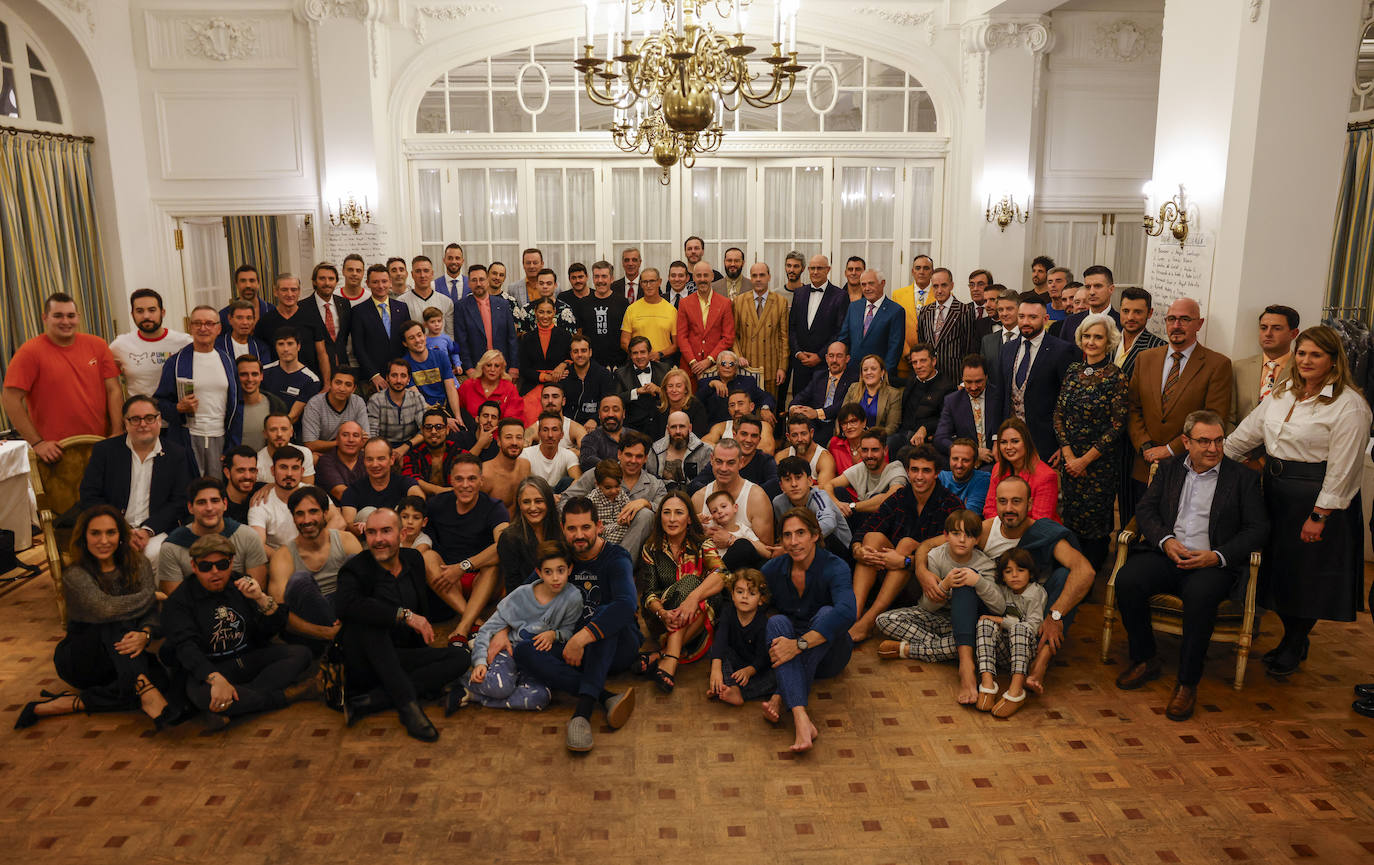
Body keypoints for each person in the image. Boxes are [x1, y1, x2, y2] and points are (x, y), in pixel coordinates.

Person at [1224, 326, 1371, 678]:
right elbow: (1244, 436)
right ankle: (1293, 638)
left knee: (1307, 578)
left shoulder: (1349, 405)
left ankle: (1294, 642)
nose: (1305, 361)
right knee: (1280, 572)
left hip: (1316, 500)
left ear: (1334, 360)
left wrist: (1320, 515)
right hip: (1274, 493)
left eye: (1316, 355)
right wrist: (1212, 461)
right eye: (1302, 353)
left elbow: (1344, 469)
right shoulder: (1283, 393)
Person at [1117, 410, 1268, 719]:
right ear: (1186, 442)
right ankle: (1145, 658)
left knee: (1200, 598)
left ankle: (1187, 683)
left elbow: (1258, 529)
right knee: (1127, 580)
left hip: (1211, 563)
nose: (1213, 449)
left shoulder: (1243, 478)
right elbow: (1145, 511)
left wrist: (1217, 556)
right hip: (1167, 554)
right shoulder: (1169, 469)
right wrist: (1165, 540)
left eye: (1218, 441)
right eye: (1204, 441)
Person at [13, 505, 183, 731]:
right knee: (112, 620)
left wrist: (145, 633)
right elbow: (105, 609)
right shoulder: (75, 574)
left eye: (110, 533)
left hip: (122, 656)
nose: (104, 540)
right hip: (81, 658)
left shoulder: (138, 564)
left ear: (121, 535)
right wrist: (150, 596)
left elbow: (149, 614)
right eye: (95, 533)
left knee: (160, 681)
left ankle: (70, 703)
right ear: (84, 537)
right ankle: (142, 686)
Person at [510, 498, 641, 752]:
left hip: (617, 646)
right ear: (562, 529)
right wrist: (501, 631)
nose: (579, 535)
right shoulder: (559, 557)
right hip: (573, 648)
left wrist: (582, 637)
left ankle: (582, 713)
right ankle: (603, 696)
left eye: (585, 528)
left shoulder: (616, 558)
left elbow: (627, 605)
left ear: (599, 527)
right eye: (572, 529)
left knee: (607, 613)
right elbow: (521, 595)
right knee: (524, 650)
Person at [335, 509, 472, 741]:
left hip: (399, 656)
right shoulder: (355, 569)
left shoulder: (414, 560)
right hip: (365, 662)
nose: (378, 539)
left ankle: (371, 702)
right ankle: (408, 706)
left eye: (386, 531)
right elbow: (347, 607)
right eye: (371, 532)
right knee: (369, 621)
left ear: (402, 534)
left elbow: (421, 607)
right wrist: (404, 615)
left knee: (460, 658)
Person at [162, 534, 318, 731]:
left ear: (232, 562)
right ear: (194, 567)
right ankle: (289, 694)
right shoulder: (180, 600)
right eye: (205, 567)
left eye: (222, 564)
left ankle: (230, 706)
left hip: (248, 658)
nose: (215, 572)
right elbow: (186, 648)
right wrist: (215, 678)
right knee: (202, 695)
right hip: (213, 667)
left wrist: (261, 599)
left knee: (301, 654)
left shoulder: (241, 584)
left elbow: (268, 632)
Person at [760, 508, 856, 753]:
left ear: (815, 535)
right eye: (787, 535)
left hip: (830, 656)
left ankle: (782, 695)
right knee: (776, 623)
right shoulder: (773, 569)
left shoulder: (836, 566)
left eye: (800, 533)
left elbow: (847, 613)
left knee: (827, 614)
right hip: (788, 655)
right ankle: (801, 718)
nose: (794, 542)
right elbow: (748, 597)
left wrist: (798, 645)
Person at [847, 444, 963, 641]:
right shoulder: (900, 497)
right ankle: (854, 614)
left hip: (928, 582)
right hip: (890, 577)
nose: (919, 476)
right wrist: (858, 549)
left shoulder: (950, 504)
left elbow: (955, 552)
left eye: (926, 471)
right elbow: (866, 528)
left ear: (936, 473)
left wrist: (905, 561)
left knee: (907, 543)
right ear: (908, 472)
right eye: (914, 470)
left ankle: (869, 620)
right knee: (871, 538)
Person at [1127, 297, 1234, 507]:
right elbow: (1132, 407)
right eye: (1172, 319)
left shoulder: (1217, 364)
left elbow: (1214, 417)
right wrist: (1146, 446)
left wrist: (1169, 449)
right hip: (1144, 463)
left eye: (1184, 319)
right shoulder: (1145, 358)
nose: (1176, 326)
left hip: (1187, 465)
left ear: (1199, 324)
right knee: (1137, 527)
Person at [466, 540, 583, 711]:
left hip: (536, 661)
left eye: (561, 570)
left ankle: (472, 694)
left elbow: (568, 632)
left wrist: (554, 635)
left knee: (539, 698)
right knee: (500, 687)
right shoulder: (520, 596)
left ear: (569, 569)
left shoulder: (573, 598)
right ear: (539, 572)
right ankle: (462, 679)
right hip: (510, 653)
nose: (556, 578)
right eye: (548, 572)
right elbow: (487, 629)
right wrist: (480, 662)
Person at [875, 509, 998, 671]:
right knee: (884, 620)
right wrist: (945, 585)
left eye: (968, 535)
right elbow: (927, 607)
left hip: (965, 624)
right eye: (956, 534)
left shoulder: (985, 564)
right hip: (936, 617)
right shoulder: (935, 556)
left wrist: (979, 582)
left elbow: (999, 607)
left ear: (977, 540)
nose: (962, 540)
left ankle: (923, 649)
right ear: (946, 535)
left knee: (976, 638)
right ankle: (948, 648)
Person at [1054, 313, 1129, 571]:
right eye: (1087, 336)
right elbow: (1059, 414)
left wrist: (1085, 460)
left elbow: (1117, 425)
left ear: (1108, 341)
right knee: (1071, 518)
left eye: (1098, 337)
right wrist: (1069, 456)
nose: (1091, 342)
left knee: (1095, 524)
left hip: (1099, 466)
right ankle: (1072, 570)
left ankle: (1090, 577)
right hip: (1070, 460)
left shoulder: (1115, 376)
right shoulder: (1073, 371)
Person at [78, 395, 191, 560]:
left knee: (156, 554)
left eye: (149, 418)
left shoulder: (176, 454)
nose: (143, 424)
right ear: (126, 423)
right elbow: (90, 495)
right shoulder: (105, 451)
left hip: (155, 529)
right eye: (135, 419)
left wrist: (147, 530)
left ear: (159, 420)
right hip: (111, 527)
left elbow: (179, 501)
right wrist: (121, 529)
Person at [636, 490, 726, 693]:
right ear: (659, 518)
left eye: (679, 513)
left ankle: (666, 656)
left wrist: (693, 598)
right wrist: (662, 612)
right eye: (666, 513)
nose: (672, 519)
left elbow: (723, 574)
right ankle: (669, 656)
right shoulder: (650, 548)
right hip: (661, 618)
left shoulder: (703, 543)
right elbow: (649, 592)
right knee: (693, 582)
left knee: (706, 593)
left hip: (695, 614)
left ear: (689, 519)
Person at [424, 453, 511, 647]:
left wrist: (463, 567)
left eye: (472, 478)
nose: (465, 485)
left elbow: (504, 545)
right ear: (451, 480)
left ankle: (462, 628)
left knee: (493, 564)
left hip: (482, 581)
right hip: (447, 581)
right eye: (459, 479)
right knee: (426, 556)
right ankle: (474, 620)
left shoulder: (494, 507)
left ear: (481, 480)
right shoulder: (437, 504)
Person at [266, 486, 361, 649]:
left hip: (344, 611)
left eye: (313, 512)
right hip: (311, 624)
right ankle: (336, 646)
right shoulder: (283, 556)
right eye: (299, 514)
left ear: (325, 513)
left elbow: (368, 587)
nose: (306, 520)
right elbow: (280, 613)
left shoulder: (346, 540)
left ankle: (340, 646)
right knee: (299, 580)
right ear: (293, 518)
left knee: (356, 563)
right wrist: (326, 632)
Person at [990, 294, 1076, 463]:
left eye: (1033, 317)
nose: (1025, 322)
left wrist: (1063, 445)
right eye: (1022, 316)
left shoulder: (1061, 351)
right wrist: (996, 438)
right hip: (1009, 442)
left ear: (1045, 319)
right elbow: (999, 395)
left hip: (1046, 443)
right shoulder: (1007, 349)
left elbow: (1068, 402)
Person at [969, 547, 1049, 718]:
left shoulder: (1035, 593)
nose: (1014, 575)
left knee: (1020, 628)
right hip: (1005, 654)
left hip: (1026, 653)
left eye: (1020, 570)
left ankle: (1016, 690)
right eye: (1008, 571)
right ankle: (987, 683)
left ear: (1030, 573)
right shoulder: (1003, 591)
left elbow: (1034, 627)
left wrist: (1002, 621)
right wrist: (994, 622)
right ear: (1003, 576)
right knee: (985, 623)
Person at [563, 430, 666, 560]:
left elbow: (667, 511)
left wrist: (647, 503)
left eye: (639, 456)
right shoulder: (599, 472)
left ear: (645, 458)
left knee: (646, 514)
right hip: (597, 539)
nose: (633, 460)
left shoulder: (656, 485)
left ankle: (618, 564)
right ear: (619, 454)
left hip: (636, 548)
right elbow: (565, 500)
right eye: (628, 455)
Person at [156, 477, 268, 596]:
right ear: (190, 508)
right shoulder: (171, 547)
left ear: (225, 504)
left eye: (214, 501)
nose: (209, 508)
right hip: (192, 612)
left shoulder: (248, 537)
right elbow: (176, 602)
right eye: (201, 502)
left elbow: (257, 593)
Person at [1114, 286, 1167, 524]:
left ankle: (1128, 548)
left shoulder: (1158, 347)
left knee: (1130, 496)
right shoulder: (1108, 339)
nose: (1130, 317)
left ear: (1150, 313)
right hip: (1103, 431)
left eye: (1138, 312)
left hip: (1132, 433)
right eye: (1126, 311)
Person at [706, 568, 776, 706]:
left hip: (756, 668)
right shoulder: (728, 612)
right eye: (739, 592)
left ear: (761, 600)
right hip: (735, 662)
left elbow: (763, 657)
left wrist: (750, 670)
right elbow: (721, 639)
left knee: (775, 678)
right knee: (717, 651)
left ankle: (735, 692)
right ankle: (724, 686)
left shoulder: (763, 623)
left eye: (751, 593)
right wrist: (715, 670)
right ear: (732, 595)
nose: (744, 596)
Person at [689, 439, 776, 547]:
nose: (724, 468)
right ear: (711, 460)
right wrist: (700, 535)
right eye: (719, 461)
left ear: (741, 463)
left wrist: (732, 540)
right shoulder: (699, 498)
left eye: (730, 463)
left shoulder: (756, 498)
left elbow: (768, 552)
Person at [109, 288, 192, 400]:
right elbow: (109, 386)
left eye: (152, 310)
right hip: (139, 415)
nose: (146, 316)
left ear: (162, 313)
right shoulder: (119, 345)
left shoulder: (184, 342)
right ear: (132, 314)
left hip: (175, 413)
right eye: (139, 311)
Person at [789, 255, 849, 398]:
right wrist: (798, 353)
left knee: (821, 407)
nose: (815, 272)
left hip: (825, 365)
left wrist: (821, 356)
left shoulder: (840, 296)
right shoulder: (799, 293)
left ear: (828, 269)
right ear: (808, 270)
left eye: (819, 268)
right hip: (800, 365)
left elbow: (839, 332)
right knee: (799, 406)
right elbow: (792, 327)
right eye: (812, 268)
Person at [1232, 304, 1299, 431]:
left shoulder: (1302, 369)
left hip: (1281, 446)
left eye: (1277, 328)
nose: (1268, 333)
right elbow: (1229, 416)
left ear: (1294, 333)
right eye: (1263, 328)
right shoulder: (1239, 367)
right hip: (1239, 444)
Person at [983, 417, 1060, 522]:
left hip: (1037, 535)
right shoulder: (998, 468)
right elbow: (989, 510)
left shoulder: (1046, 476)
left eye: (1015, 441)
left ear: (1026, 442)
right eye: (1003, 442)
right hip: (1002, 531)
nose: (1008, 447)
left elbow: (1041, 521)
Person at [350, 264, 411, 393]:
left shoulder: (402, 307)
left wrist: (404, 372)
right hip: (374, 379)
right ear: (367, 283)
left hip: (401, 375)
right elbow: (358, 347)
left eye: (384, 281)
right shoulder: (358, 311)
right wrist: (374, 375)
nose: (380, 286)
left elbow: (408, 341)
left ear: (390, 282)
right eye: (375, 282)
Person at [248, 445, 323, 552]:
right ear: (273, 470)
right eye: (283, 467)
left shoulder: (313, 493)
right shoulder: (260, 502)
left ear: (302, 471)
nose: (289, 474)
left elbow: (338, 521)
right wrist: (285, 559)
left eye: (295, 468)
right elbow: (257, 544)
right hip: (278, 560)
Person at [733, 262, 790, 401]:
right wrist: (738, 356)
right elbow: (733, 335)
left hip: (771, 368)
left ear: (769, 277)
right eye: (754, 276)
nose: (758, 279)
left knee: (769, 411)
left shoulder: (781, 302)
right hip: (746, 367)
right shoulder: (739, 301)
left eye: (762, 275)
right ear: (750, 278)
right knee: (746, 410)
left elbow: (784, 338)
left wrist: (782, 367)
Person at [773, 455, 851, 555]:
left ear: (810, 481)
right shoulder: (778, 503)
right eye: (788, 479)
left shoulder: (820, 497)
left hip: (839, 550)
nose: (794, 484)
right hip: (802, 550)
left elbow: (829, 524)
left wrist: (796, 542)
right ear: (781, 486)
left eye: (798, 478)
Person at [454, 264, 520, 381]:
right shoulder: (461, 307)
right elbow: (461, 341)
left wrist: (514, 366)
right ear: (469, 283)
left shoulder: (503, 304)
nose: (478, 283)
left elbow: (512, 338)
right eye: (474, 280)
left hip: (502, 368)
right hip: (476, 369)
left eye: (482, 279)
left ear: (488, 281)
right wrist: (468, 368)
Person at [496, 476, 561, 594]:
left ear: (549, 503)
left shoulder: (560, 531)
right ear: (519, 505)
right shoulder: (509, 538)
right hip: (526, 602)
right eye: (526, 502)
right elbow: (513, 587)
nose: (532, 507)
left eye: (538, 501)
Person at [257, 274, 329, 379]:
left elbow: (322, 354)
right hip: (275, 382)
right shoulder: (265, 321)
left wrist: (327, 383)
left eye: (293, 289)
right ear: (275, 292)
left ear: (299, 292)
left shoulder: (312, 317)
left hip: (309, 382)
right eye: (284, 290)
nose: (289, 294)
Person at [836, 269, 905, 377]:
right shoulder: (854, 307)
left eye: (871, 284)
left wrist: (884, 375)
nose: (867, 288)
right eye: (863, 284)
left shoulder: (896, 311)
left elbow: (895, 349)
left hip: (879, 376)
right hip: (852, 374)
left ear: (882, 283)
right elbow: (843, 338)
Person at [888, 343, 952, 459]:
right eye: (914, 362)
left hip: (924, 439)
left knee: (903, 453)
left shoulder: (946, 387)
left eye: (923, 361)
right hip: (902, 433)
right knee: (884, 445)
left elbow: (947, 419)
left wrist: (925, 428)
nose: (918, 366)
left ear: (933, 361)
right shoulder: (913, 379)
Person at [341, 439, 422, 529]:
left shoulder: (405, 483)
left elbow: (419, 498)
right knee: (367, 512)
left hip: (399, 538)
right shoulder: (353, 490)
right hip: (366, 539)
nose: (375, 464)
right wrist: (366, 527)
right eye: (369, 459)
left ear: (391, 460)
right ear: (364, 461)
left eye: (381, 458)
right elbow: (349, 525)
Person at [677, 260, 736, 385]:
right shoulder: (684, 303)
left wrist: (709, 361)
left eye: (705, 275)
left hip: (715, 368)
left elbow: (728, 338)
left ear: (712, 277)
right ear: (693, 278)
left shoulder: (725, 303)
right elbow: (681, 337)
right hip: (690, 368)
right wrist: (693, 362)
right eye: (698, 275)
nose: (702, 279)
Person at [914, 268, 975, 386]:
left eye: (944, 285)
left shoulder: (965, 310)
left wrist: (964, 381)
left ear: (952, 286)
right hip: (929, 377)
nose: (939, 290)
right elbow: (921, 344)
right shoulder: (925, 311)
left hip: (954, 377)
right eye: (935, 286)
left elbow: (968, 349)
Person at [934, 355, 996, 465]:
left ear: (986, 377)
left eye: (978, 381)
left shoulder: (999, 396)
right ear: (962, 378)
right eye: (968, 382)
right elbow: (940, 438)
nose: (973, 387)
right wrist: (972, 452)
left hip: (994, 463)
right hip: (963, 463)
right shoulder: (952, 401)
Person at [789, 341, 857, 440]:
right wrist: (794, 408)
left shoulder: (854, 379)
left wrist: (817, 413)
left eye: (839, 356)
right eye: (831, 356)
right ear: (826, 358)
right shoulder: (819, 376)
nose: (834, 360)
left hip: (838, 424)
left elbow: (844, 404)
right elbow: (803, 395)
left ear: (847, 359)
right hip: (815, 425)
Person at [400, 320, 465, 424]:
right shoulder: (404, 365)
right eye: (411, 338)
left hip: (446, 407)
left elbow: (451, 389)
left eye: (419, 335)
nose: (417, 340)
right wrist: (443, 421)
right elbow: (418, 399)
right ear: (405, 343)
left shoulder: (441, 356)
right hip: (423, 412)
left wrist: (458, 417)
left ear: (425, 336)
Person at [696, 350, 778, 429]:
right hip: (716, 428)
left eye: (731, 364)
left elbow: (766, 396)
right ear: (718, 366)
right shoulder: (706, 383)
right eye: (723, 363)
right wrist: (711, 384)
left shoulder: (748, 382)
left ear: (736, 368)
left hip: (745, 425)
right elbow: (696, 401)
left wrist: (765, 408)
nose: (727, 366)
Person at [261, 327, 323, 427]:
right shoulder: (263, 371)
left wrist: (276, 430)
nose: (285, 349)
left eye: (290, 344)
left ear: (298, 346)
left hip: (291, 431)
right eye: (281, 344)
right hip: (262, 426)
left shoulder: (311, 380)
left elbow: (294, 416)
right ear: (275, 347)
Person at [573, 262, 629, 371]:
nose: (600, 281)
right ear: (592, 279)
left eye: (604, 276)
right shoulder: (583, 303)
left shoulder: (622, 302)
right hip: (591, 364)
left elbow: (627, 333)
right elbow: (579, 334)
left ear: (611, 279)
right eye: (596, 276)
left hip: (619, 364)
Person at [302, 369, 370, 454]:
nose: (342, 388)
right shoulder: (315, 404)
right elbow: (310, 444)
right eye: (338, 383)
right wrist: (342, 443)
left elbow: (365, 439)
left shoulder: (358, 402)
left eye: (348, 385)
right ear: (330, 384)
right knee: (313, 458)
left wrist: (344, 443)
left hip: (351, 452)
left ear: (354, 389)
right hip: (324, 453)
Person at [368, 357, 430, 449]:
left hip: (411, 446)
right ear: (387, 378)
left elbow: (424, 429)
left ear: (408, 379)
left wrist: (405, 447)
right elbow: (372, 435)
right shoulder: (375, 400)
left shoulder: (417, 398)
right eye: (394, 375)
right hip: (383, 448)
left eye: (403, 376)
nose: (398, 380)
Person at [517, 296, 574, 394]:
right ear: (535, 312)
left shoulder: (565, 335)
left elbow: (573, 359)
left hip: (560, 385)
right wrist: (546, 377)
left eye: (549, 312)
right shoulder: (527, 338)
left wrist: (563, 365)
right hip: (532, 385)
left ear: (554, 312)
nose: (545, 316)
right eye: (541, 312)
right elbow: (524, 369)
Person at [620, 268, 678, 363]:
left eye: (652, 281)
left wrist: (659, 354)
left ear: (659, 282)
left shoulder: (671, 310)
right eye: (645, 282)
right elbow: (624, 341)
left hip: (662, 363)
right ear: (641, 284)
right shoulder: (631, 309)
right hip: (637, 363)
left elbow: (676, 345)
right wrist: (639, 355)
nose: (648, 285)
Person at [615, 336, 671, 435]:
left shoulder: (664, 369)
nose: (639, 357)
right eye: (635, 353)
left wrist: (659, 390)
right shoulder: (621, 373)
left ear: (649, 353)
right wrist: (636, 392)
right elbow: (616, 399)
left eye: (643, 352)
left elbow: (675, 395)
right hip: (633, 430)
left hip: (661, 427)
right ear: (630, 355)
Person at [648, 409, 713, 488]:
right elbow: (650, 483)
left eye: (682, 426)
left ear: (690, 428)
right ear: (668, 429)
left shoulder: (705, 450)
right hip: (662, 498)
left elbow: (709, 483)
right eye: (673, 427)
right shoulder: (655, 450)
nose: (678, 431)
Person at [236, 355, 287, 452]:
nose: (250, 379)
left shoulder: (276, 405)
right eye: (244, 374)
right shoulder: (228, 406)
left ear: (261, 376)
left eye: (254, 374)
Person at [564, 334, 618, 427]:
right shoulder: (564, 375)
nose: (580, 355)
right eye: (576, 351)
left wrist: (595, 419)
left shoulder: (603, 375)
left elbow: (609, 403)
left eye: (583, 351)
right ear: (571, 355)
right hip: (567, 427)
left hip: (596, 427)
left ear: (590, 352)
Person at [703, 387, 778, 455]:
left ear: (751, 406)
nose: (736, 409)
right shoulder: (721, 427)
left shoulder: (763, 425)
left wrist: (726, 452)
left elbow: (767, 450)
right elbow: (704, 443)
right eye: (732, 405)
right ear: (729, 410)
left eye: (740, 404)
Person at [457, 350, 524, 423]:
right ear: (482, 367)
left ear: (502, 369)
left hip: (499, 432)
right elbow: (457, 410)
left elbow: (513, 418)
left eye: (497, 366)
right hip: (471, 430)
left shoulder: (510, 388)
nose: (492, 369)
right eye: (488, 365)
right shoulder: (468, 385)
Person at [841, 355, 902, 434]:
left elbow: (892, 427)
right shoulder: (853, 388)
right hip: (852, 436)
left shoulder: (893, 394)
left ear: (882, 372)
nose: (869, 372)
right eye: (865, 370)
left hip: (877, 439)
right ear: (862, 374)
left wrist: (870, 438)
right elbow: (842, 416)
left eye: (873, 369)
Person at [481, 417, 532, 510]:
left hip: (520, 523)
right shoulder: (485, 474)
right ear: (499, 441)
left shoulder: (526, 466)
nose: (514, 442)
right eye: (508, 437)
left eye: (519, 437)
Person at [523, 410, 582, 488]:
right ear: (539, 434)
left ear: (562, 435)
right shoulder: (526, 454)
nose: (550, 435)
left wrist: (561, 496)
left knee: (566, 482)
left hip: (560, 496)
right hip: (535, 494)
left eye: (554, 430)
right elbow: (522, 485)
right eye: (545, 430)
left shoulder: (569, 455)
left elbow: (578, 482)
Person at [399, 255, 454, 339]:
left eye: (426, 271)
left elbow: (450, 334)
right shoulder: (401, 302)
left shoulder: (446, 301)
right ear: (412, 274)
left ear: (432, 274)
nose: (422, 275)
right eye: (418, 271)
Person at [777, 412, 837, 488]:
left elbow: (824, 492)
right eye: (794, 435)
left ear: (811, 433)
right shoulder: (781, 456)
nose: (800, 439)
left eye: (803, 434)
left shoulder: (824, 459)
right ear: (788, 437)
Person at [316, 420, 367, 501]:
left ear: (362, 441)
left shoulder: (368, 459)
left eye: (356, 435)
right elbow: (341, 494)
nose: (351, 440)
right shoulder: (325, 461)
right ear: (337, 439)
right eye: (345, 435)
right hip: (336, 511)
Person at [656, 367, 711, 440]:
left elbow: (698, 437)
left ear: (686, 389)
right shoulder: (659, 407)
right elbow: (655, 437)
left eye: (678, 386)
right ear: (665, 389)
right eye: (670, 386)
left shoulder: (696, 407)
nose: (674, 390)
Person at [939, 438, 992, 513]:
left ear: (975, 463)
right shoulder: (940, 477)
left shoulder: (983, 480)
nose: (959, 465)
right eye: (955, 459)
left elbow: (968, 518)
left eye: (965, 460)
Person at [218, 264, 276, 330]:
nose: (248, 285)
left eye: (252, 280)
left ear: (258, 284)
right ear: (236, 284)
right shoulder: (223, 315)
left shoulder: (272, 311)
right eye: (243, 281)